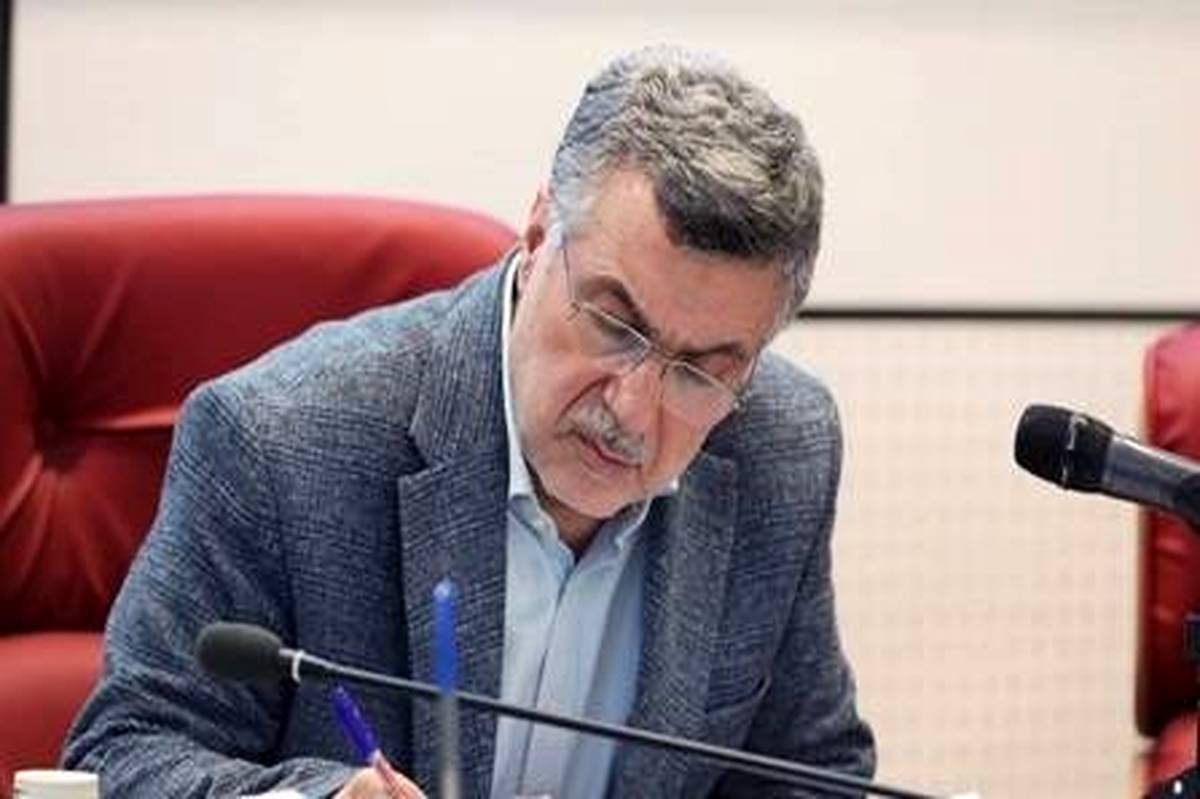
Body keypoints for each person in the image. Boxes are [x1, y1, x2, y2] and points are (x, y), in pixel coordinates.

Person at [63, 46, 874, 798]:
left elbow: (811, 776)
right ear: (538, 234)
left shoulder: (784, 450)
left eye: (700, 371)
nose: (631, 407)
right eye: (614, 322)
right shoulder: (277, 441)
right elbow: (123, 754)